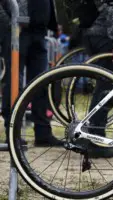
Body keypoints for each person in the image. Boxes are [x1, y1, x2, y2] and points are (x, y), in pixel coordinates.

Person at [69, 0, 113, 158]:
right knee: (108, 90)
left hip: (97, 33)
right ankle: (95, 140)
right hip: (106, 36)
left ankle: (93, 136)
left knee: (106, 88)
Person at [0, 0, 62, 146]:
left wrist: (52, 21)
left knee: (41, 83)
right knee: (14, 83)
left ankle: (43, 133)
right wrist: (10, 25)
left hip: (39, 31)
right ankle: (12, 133)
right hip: (17, 30)